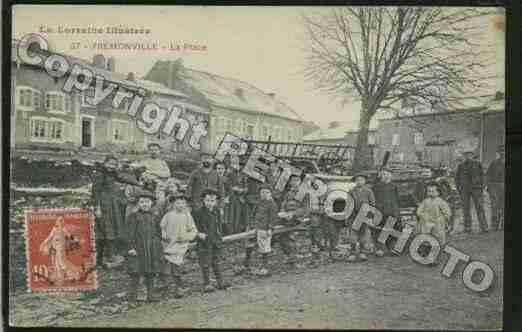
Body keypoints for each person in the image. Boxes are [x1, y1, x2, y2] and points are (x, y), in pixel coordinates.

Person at [92, 155, 140, 267]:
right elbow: (95, 192)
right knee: (105, 230)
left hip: (112, 204)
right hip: (103, 204)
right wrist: (97, 207)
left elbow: (123, 178)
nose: (111, 166)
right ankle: (102, 258)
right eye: (110, 164)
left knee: (112, 228)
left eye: (114, 165)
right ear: (105, 163)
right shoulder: (100, 175)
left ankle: (110, 255)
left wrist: (137, 183)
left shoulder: (113, 173)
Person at [159, 194, 201, 298]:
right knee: (166, 266)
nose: (180, 205)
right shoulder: (168, 215)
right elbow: (161, 227)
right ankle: (166, 286)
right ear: (173, 204)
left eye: (183, 203)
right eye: (178, 203)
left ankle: (178, 287)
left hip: (180, 245)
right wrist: (163, 234)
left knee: (176, 266)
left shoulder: (187, 216)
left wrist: (187, 237)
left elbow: (193, 230)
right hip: (168, 243)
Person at [126, 190, 163, 303]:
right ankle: (133, 295)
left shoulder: (155, 216)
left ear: (152, 203)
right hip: (139, 248)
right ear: (138, 203)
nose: (145, 204)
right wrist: (131, 247)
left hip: (151, 248)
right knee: (136, 271)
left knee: (150, 271)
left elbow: (158, 231)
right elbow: (129, 233)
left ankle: (151, 295)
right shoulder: (133, 216)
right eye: (142, 202)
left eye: (147, 202)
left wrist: (157, 243)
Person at [192, 188, 229, 292]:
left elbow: (219, 226)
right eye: (207, 200)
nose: (210, 203)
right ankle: (207, 283)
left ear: (216, 201)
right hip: (204, 241)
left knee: (216, 261)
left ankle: (220, 281)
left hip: (215, 240)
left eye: (212, 201)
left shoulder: (217, 211)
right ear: (203, 200)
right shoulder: (198, 212)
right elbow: (192, 227)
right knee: (205, 262)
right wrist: (198, 234)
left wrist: (220, 236)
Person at [243, 184, 278, 275]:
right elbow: (253, 214)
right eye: (262, 192)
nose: (264, 194)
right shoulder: (259, 202)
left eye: (267, 192)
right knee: (249, 244)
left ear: (270, 194)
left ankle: (265, 267)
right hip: (255, 226)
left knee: (264, 248)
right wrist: (250, 224)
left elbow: (273, 218)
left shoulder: (272, 204)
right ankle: (246, 264)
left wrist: (270, 228)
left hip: (264, 228)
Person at [275, 174, 309, 265]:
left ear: (300, 182)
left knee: (285, 234)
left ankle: (291, 255)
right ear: (290, 182)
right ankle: (289, 255)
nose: (294, 183)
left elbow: (305, 209)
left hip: (297, 218)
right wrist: (282, 212)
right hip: (286, 217)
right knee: (276, 230)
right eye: (292, 181)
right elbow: (283, 204)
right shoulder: (288, 193)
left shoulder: (303, 193)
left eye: (296, 180)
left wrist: (293, 214)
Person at [39, 217, 82, 285]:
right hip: (56, 248)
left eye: (62, 221)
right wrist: (43, 243)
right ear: (57, 222)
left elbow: (69, 236)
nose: (61, 222)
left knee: (62, 262)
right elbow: (49, 237)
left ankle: (75, 272)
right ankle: (61, 278)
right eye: (59, 221)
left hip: (61, 248)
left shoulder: (64, 229)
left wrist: (76, 240)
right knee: (57, 264)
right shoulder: (54, 229)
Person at [416, 183, 452, 264]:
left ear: (438, 192)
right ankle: (426, 256)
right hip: (427, 224)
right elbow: (419, 211)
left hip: (438, 225)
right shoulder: (425, 201)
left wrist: (442, 218)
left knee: (438, 241)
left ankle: (436, 258)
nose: (430, 193)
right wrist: (423, 215)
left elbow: (448, 213)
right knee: (427, 240)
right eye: (429, 191)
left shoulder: (441, 202)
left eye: (433, 191)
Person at [455, 150, 489, 233]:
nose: (467, 156)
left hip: (476, 188)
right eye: (466, 155)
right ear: (464, 156)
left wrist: (482, 186)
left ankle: (484, 227)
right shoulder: (461, 165)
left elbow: (483, 175)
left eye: (469, 154)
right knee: (466, 208)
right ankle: (467, 227)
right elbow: (457, 178)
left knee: (479, 207)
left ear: (472, 155)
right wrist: (459, 188)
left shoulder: (478, 164)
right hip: (464, 189)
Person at [346, 173, 375, 262]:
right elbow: (348, 204)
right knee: (353, 236)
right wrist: (348, 216)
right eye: (357, 180)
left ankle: (362, 252)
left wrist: (370, 215)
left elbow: (372, 203)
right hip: (353, 216)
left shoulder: (368, 191)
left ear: (365, 181)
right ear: (355, 181)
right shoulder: (351, 191)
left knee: (363, 235)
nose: (359, 182)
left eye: (361, 180)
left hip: (364, 216)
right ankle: (352, 252)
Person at [372, 169, 401, 257]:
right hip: (380, 211)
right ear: (380, 175)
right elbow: (373, 199)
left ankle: (391, 247)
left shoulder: (394, 186)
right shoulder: (376, 186)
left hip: (392, 211)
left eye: (388, 174)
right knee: (379, 229)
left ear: (391, 176)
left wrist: (397, 210)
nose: (386, 176)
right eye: (384, 174)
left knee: (391, 229)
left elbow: (397, 199)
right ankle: (380, 248)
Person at [224, 157, 249, 234]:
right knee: (230, 215)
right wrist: (233, 189)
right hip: (231, 197)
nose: (239, 166)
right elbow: (226, 185)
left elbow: (247, 188)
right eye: (238, 165)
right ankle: (230, 231)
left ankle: (236, 231)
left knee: (238, 214)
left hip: (240, 198)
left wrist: (242, 190)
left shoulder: (244, 175)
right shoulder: (230, 174)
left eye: (241, 165)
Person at [486, 145, 505, 231]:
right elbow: (488, 175)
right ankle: (495, 225)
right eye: (500, 152)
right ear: (498, 153)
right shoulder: (494, 163)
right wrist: (489, 186)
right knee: (494, 206)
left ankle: (503, 225)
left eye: (504, 151)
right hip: (495, 186)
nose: (502, 153)